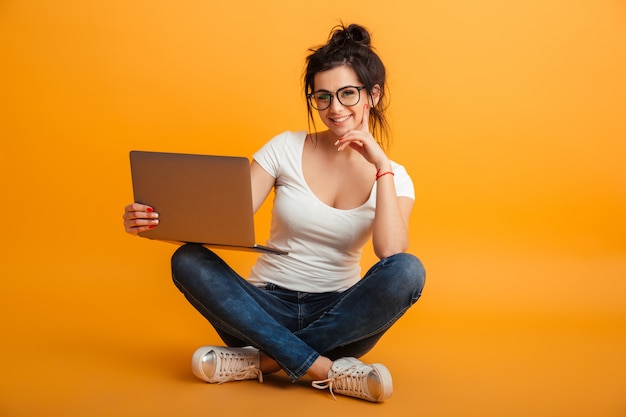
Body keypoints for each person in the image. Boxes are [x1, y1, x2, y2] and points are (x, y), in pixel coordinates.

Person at [123, 23, 425, 403]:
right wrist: (153, 218)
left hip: (339, 317)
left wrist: (382, 166)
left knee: (408, 270)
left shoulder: (395, 177)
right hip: (260, 309)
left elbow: (390, 253)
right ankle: (324, 370)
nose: (335, 109)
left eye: (348, 94)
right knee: (186, 259)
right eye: (323, 97)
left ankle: (260, 363)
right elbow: (221, 220)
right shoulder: (284, 148)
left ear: (373, 95)